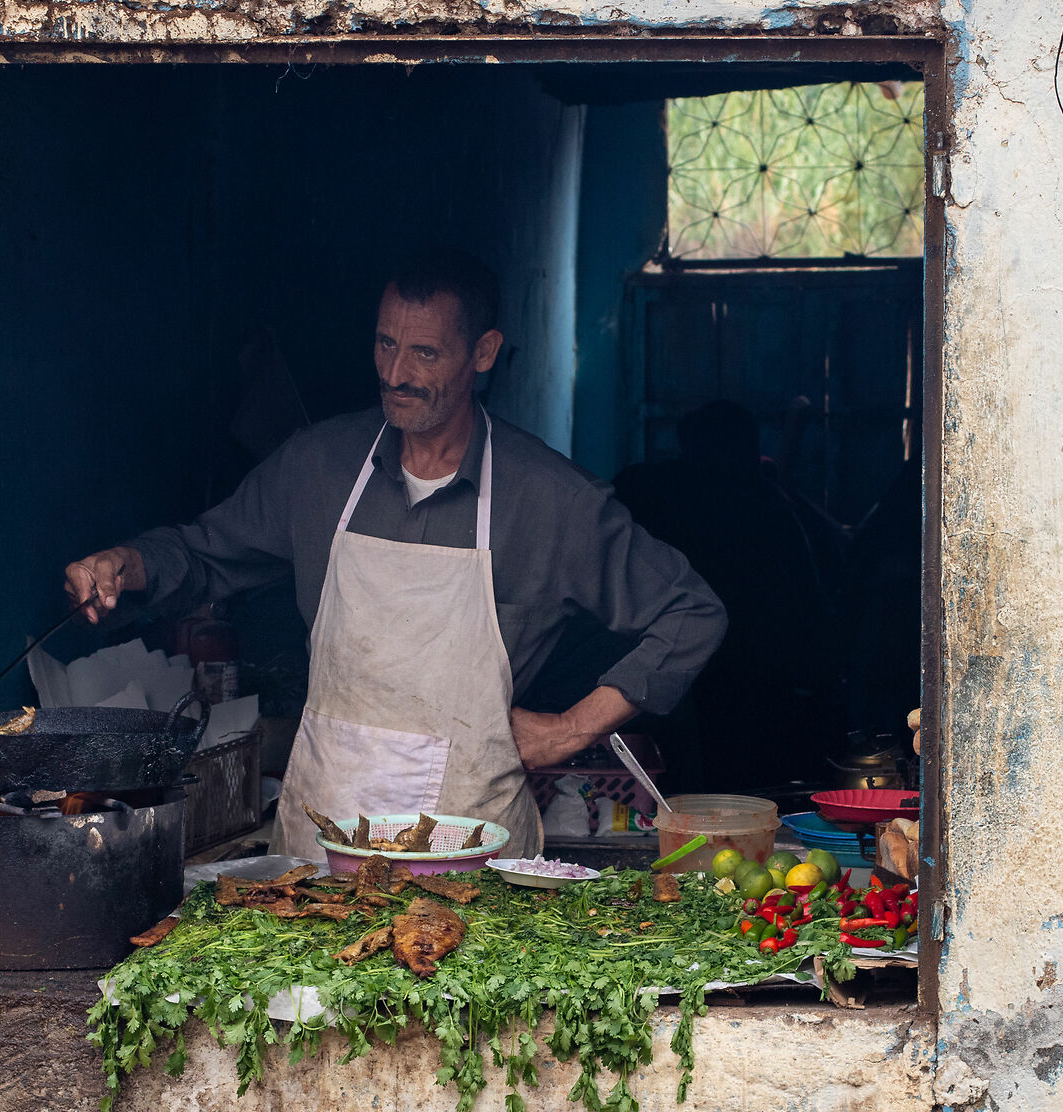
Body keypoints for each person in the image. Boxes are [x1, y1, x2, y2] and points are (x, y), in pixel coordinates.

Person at [63, 246, 727, 862]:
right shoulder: (318, 469)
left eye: (426, 354)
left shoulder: (550, 501)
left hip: (475, 865)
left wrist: (569, 729)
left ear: (484, 352)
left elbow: (691, 613)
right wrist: (128, 562)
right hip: (320, 856)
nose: (396, 375)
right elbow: (203, 554)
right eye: (385, 344)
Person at [614, 401, 842, 789]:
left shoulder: (764, 507)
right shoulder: (664, 490)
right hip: (703, 670)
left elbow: (806, 601)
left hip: (734, 669)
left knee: (716, 776)